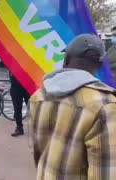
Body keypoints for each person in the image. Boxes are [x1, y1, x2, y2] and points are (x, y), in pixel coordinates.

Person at [28, 34, 116, 179]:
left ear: (66, 59)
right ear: (99, 65)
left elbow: (37, 153)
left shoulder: (38, 96)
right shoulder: (105, 106)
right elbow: (105, 173)